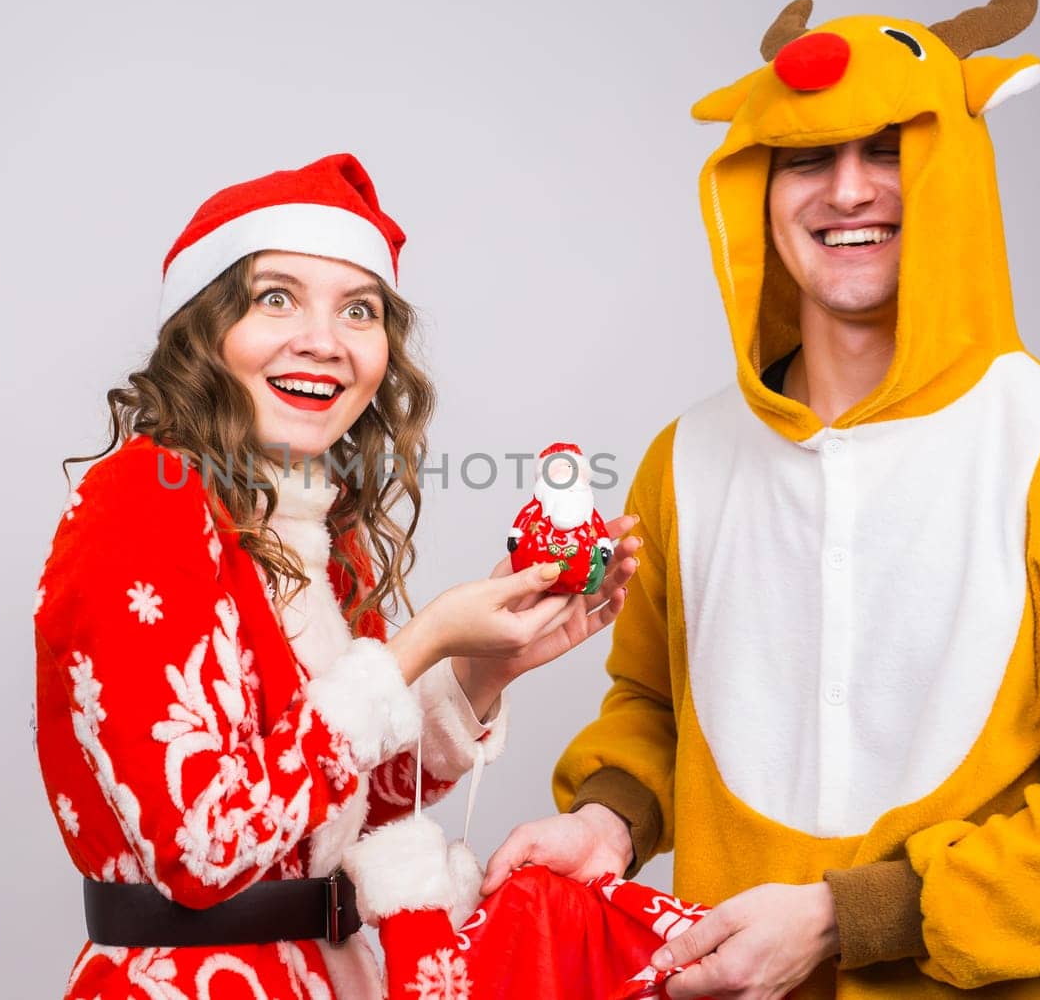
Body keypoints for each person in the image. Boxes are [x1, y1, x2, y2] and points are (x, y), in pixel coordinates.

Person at [486, 0, 1040, 999]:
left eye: (889, 148)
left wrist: (842, 917)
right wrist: (607, 815)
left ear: (956, 170)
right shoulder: (683, 459)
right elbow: (650, 703)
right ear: (757, 190)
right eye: (806, 156)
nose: (846, 191)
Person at [32, 153, 639, 999]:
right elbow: (204, 846)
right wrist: (421, 639)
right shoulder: (143, 499)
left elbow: (349, 800)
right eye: (275, 297)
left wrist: (481, 668)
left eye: (359, 309)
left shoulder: (316, 528)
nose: (324, 339)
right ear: (203, 330)